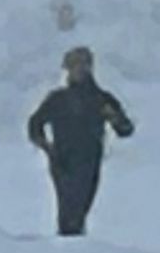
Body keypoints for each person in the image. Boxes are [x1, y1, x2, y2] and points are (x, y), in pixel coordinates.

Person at [27, 46, 133, 237]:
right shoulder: (58, 99)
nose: (78, 71)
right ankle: (70, 247)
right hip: (62, 161)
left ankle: (73, 250)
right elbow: (35, 125)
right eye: (74, 67)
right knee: (69, 209)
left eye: (83, 66)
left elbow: (125, 130)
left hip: (89, 161)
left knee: (80, 207)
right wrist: (46, 147)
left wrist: (115, 118)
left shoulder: (101, 99)